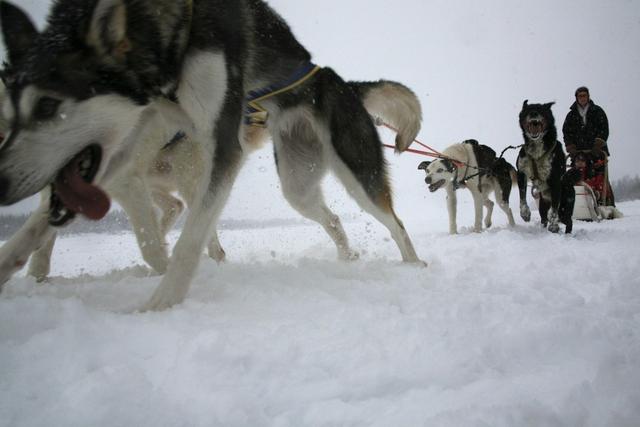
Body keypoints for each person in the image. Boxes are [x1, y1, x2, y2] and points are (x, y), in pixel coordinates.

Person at [562, 86, 615, 206]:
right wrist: (571, 148)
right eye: (580, 96)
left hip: (596, 151)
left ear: (588, 96)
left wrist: (598, 145)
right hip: (578, 153)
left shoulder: (597, 111)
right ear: (576, 98)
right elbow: (566, 132)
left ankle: (605, 202)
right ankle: (578, 203)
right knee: (577, 176)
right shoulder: (571, 115)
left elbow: (604, 128)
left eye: (584, 95)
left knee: (600, 176)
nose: (582, 98)